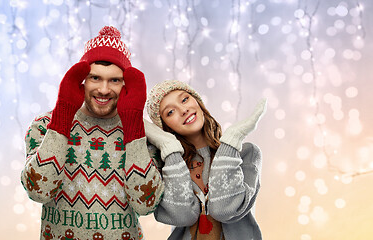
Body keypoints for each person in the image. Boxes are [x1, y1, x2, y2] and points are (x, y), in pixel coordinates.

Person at [20, 26, 164, 240]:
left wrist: (133, 127)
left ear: (126, 83)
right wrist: (62, 116)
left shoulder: (146, 135)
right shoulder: (44, 125)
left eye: (114, 80)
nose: (104, 89)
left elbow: (145, 204)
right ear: (82, 80)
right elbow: (39, 190)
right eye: (95, 78)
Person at [145, 80, 266, 240]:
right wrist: (169, 147)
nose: (183, 110)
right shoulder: (167, 166)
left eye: (185, 99)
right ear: (165, 127)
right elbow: (182, 216)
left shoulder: (246, 154)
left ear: (198, 102)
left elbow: (225, 209)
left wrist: (233, 138)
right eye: (170, 112)